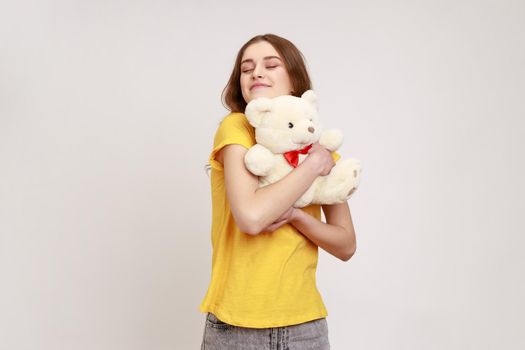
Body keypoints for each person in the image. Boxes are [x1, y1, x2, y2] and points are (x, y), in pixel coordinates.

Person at [199, 33, 357, 350]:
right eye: (247, 68)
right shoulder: (237, 127)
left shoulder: (315, 143)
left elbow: (345, 245)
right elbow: (251, 217)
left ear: (294, 80)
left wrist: (297, 216)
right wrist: (312, 167)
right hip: (237, 326)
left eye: (271, 64)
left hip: (305, 327)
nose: (256, 72)